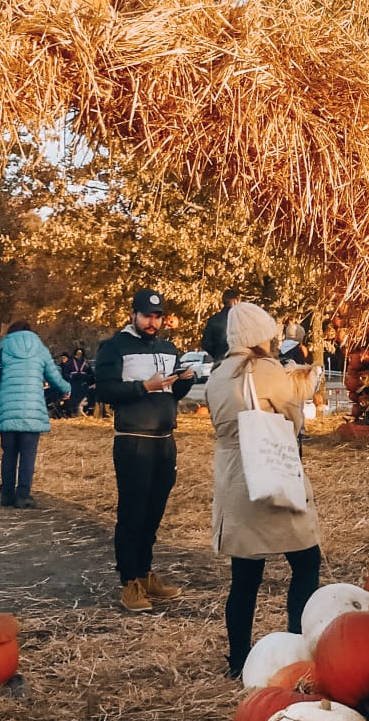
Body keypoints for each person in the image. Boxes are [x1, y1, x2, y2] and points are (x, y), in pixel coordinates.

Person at [204, 303, 321, 677]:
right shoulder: (267, 370)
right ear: (259, 336)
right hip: (271, 470)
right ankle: (295, 647)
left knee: (245, 578)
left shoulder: (218, 373)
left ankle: (238, 660)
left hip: (236, 479)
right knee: (305, 561)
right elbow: (291, 417)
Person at [94, 290, 195, 613]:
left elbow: (173, 392)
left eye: (157, 316)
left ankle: (145, 572)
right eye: (147, 316)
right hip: (133, 439)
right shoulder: (115, 347)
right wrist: (143, 387)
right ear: (134, 315)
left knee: (154, 511)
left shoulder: (168, 348)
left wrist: (184, 380)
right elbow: (106, 390)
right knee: (132, 513)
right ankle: (129, 582)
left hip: (165, 439)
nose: (152, 322)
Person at [0, 321, 70, 509]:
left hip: (7, 409)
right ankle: (23, 495)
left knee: (9, 454)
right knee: (28, 454)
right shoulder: (40, 348)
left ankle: (6, 494)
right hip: (32, 410)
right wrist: (66, 389)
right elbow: (54, 376)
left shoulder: (3, 348)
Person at [201, 289, 240, 366]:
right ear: (236, 300)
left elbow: (206, 344)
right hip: (239, 362)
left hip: (220, 361)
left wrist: (217, 354)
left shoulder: (213, 319)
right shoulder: (242, 319)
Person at [60, 344, 93, 416]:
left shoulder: (86, 363)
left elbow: (91, 374)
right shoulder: (70, 362)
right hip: (73, 383)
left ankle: (81, 412)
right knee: (73, 399)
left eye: (80, 353)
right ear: (75, 353)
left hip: (83, 383)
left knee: (82, 399)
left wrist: (87, 378)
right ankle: (72, 413)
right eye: (78, 353)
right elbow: (65, 373)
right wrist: (70, 378)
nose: (79, 355)